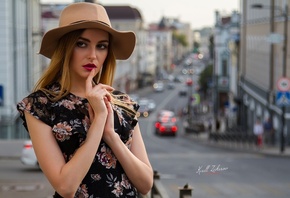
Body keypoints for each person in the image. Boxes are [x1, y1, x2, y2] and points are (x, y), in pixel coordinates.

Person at [16, 2, 153, 198]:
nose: (92, 55)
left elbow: (146, 184)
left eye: (102, 46)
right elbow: (66, 187)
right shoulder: (40, 106)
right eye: (81, 44)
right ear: (65, 47)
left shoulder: (123, 103)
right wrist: (98, 122)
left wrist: (111, 136)